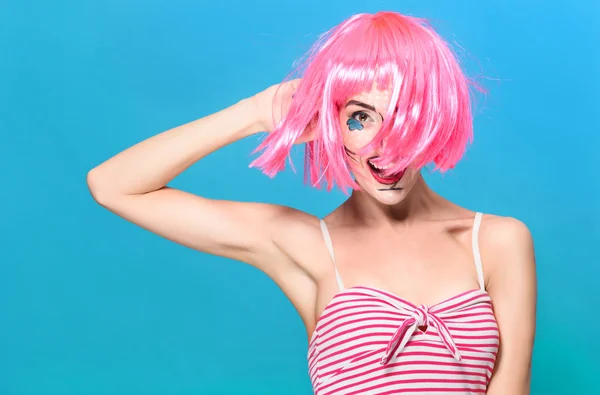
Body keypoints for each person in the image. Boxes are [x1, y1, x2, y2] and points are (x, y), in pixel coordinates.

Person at [87, 11, 536, 395]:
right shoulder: (305, 244)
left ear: (435, 116)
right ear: (331, 124)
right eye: (360, 118)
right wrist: (255, 113)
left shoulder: (495, 241)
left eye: (405, 114)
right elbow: (113, 185)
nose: (385, 145)